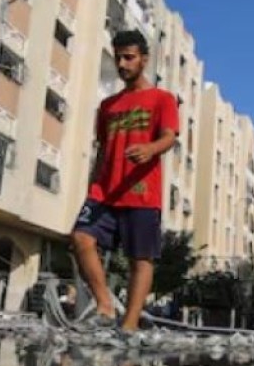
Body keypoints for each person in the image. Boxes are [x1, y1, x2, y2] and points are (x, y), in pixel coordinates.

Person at [70, 30, 179, 334]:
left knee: (140, 259)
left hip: (142, 192)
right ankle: (105, 305)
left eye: (129, 57)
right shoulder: (107, 106)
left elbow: (169, 137)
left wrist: (150, 149)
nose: (122, 63)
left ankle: (129, 325)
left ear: (144, 59)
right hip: (104, 190)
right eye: (118, 57)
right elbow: (103, 148)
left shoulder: (162, 99)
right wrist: (92, 186)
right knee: (81, 238)